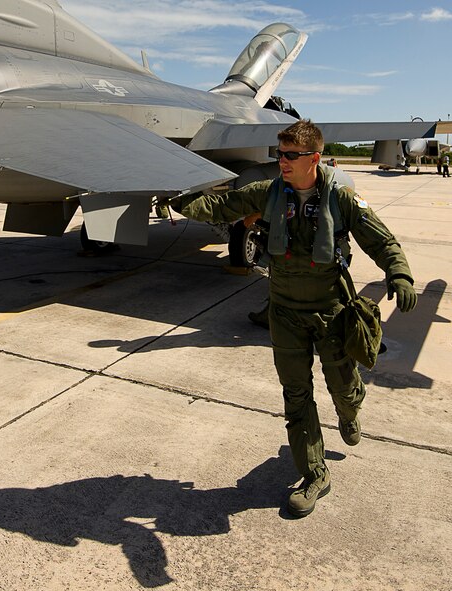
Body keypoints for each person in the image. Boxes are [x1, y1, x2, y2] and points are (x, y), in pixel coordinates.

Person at [172, 120, 417, 518]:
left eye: (289, 155)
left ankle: (350, 408)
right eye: (279, 154)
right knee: (295, 393)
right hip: (284, 309)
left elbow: (382, 240)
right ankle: (314, 475)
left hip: (332, 309)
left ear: (313, 158)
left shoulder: (342, 199)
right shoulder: (268, 194)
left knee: (342, 385)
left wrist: (400, 274)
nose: (281, 162)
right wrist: (180, 200)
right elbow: (220, 205)